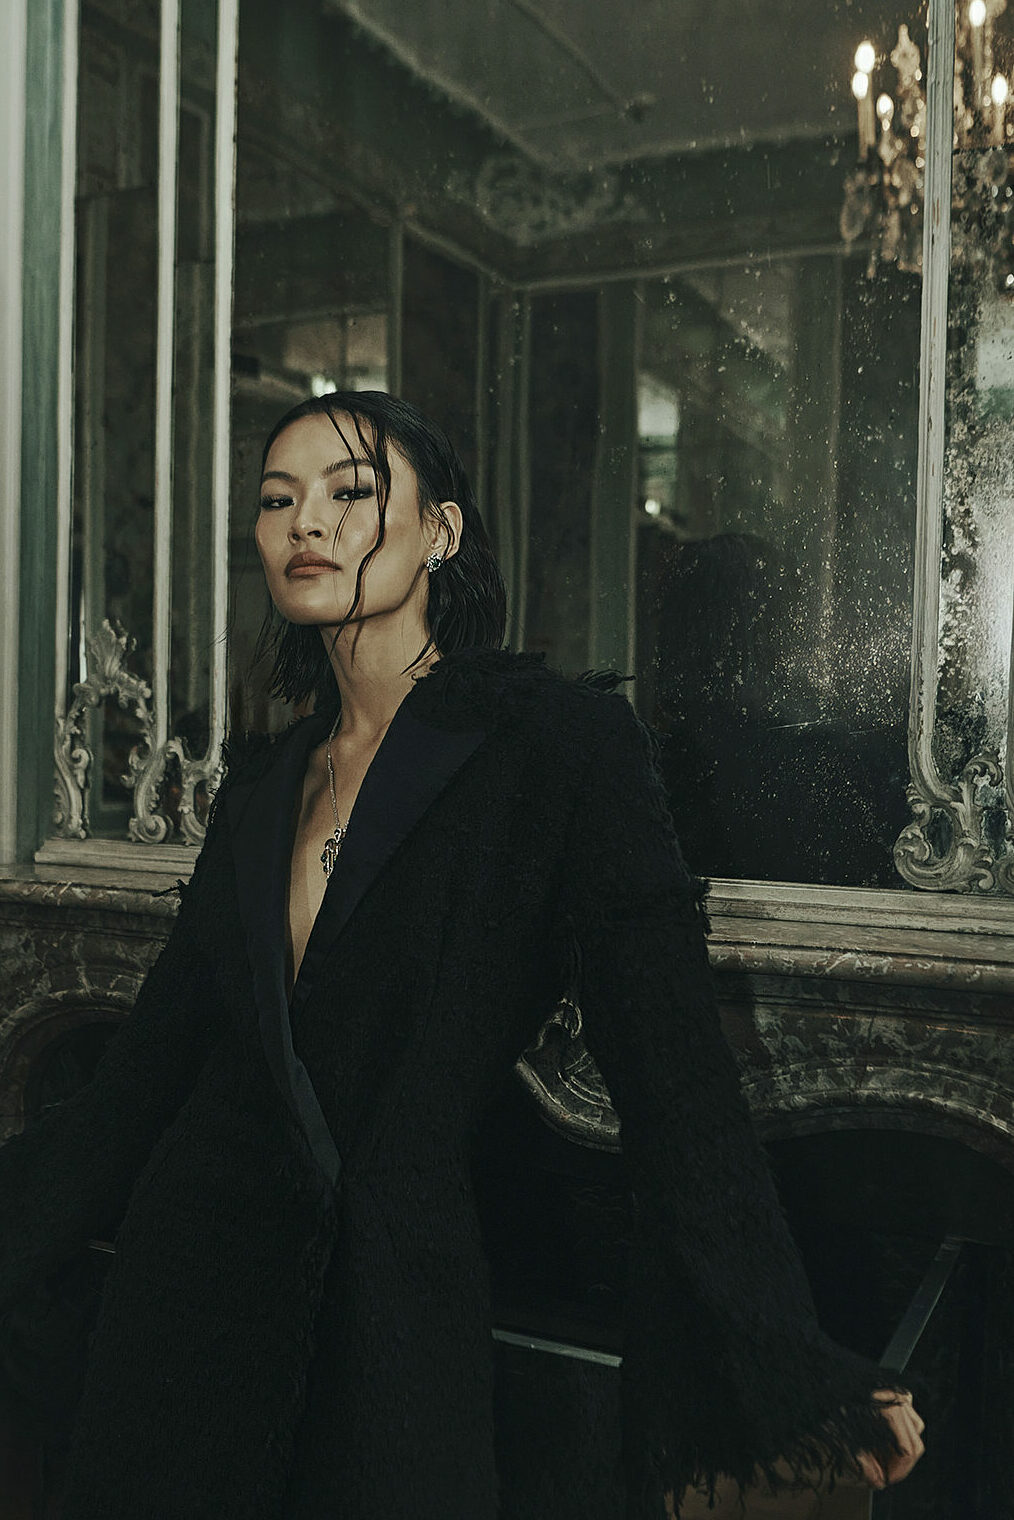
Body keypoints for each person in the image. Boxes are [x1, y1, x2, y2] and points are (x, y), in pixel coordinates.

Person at [0, 391, 923, 1519]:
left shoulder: (557, 749)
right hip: (181, 1314)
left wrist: (792, 1363)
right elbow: (138, 1083)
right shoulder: (259, 786)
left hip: (393, 1313)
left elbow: (675, 1077)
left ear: (439, 530)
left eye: (349, 491)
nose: (306, 523)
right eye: (277, 500)